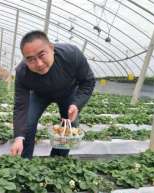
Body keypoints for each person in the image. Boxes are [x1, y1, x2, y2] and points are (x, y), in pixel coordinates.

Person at [10, 30, 95, 159]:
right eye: (30, 59)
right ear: (24, 59)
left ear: (51, 48)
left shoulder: (71, 55)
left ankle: (57, 160)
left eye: (42, 55)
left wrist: (77, 104)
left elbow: (88, 82)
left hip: (68, 92)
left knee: (69, 126)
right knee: (27, 123)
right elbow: (21, 105)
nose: (38, 63)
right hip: (40, 95)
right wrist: (18, 137)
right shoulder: (22, 72)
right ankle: (24, 161)